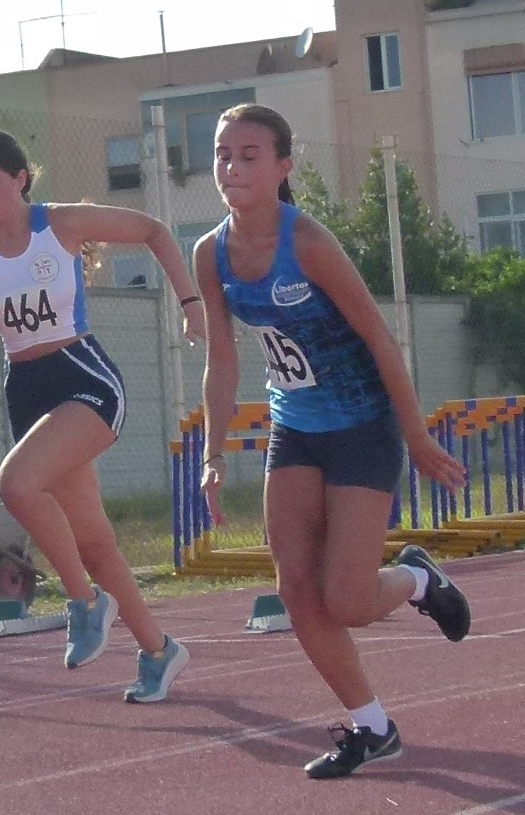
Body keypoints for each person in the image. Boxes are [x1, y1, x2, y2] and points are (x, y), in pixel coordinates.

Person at [191, 103, 471, 777]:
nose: (231, 167)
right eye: (222, 154)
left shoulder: (309, 243)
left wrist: (416, 435)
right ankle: (372, 727)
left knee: (346, 600)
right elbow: (223, 359)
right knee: (296, 591)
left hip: (362, 427)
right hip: (294, 427)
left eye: (248, 155)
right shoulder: (209, 252)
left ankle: (416, 578)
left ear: (283, 167)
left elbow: (378, 337)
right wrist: (212, 453)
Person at [0, 128, 205, 703]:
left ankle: (84, 601)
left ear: (20, 179)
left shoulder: (60, 224)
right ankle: (159, 651)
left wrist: (190, 303)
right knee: (94, 542)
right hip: (26, 390)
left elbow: (154, 230)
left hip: (84, 378)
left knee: (16, 484)